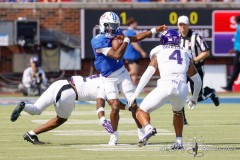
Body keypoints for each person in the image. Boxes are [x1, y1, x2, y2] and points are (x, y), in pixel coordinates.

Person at [91, 11, 167, 145]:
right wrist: (125, 41)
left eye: (114, 25)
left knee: (133, 103)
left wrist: (155, 30)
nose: (112, 28)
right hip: (108, 77)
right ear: (103, 25)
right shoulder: (97, 40)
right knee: (114, 106)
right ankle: (114, 135)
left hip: (122, 73)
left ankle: (141, 132)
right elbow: (116, 55)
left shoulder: (118, 32)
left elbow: (136, 38)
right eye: (109, 25)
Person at [128, 30, 202, 149]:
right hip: (182, 87)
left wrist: (135, 94)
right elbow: (198, 81)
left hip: (165, 85)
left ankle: (148, 128)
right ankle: (179, 142)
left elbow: (148, 74)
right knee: (178, 112)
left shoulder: (159, 50)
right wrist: (194, 99)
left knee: (141, 111)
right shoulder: (185, 53)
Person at [11, 74, 127, 144]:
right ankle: (32, 133)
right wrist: (102, 119)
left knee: (36, 109)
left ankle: (24, 106)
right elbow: (103, 102)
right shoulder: (108, 85)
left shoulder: (103, 77)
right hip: (69, 93)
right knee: (60, 119)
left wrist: (128, 107)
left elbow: (115, 103)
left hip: (61, 83)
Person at [177, 15, 220, 125]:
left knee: (198, 96)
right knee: (178, 93)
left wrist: (193, 60)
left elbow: (206, 52)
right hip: (182, 69)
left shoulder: (195, 36)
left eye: (184, 24)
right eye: (180, 24)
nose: (182, 27)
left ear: (188, 25)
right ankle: (182, 119)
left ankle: (210, 93)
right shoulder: (176, 38)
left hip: (196, 68)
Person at [123, 17, 147, 86]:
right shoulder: (130, 32)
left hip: (134, 55)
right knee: (133, 71)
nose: (137, 24)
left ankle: (133, 87)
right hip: (130, 55)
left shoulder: (132, 32)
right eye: (135, 23)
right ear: (132, 23)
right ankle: (118, 78)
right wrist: (142, 51)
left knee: (135, 73)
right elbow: (134, 43)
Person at [222, 16, 240, 91]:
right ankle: (229, 86)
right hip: (237, 51)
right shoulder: (238, 27)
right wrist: (234, 49)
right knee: (236, 69)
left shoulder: (239, 28)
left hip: (239, 52)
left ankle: (229, 86)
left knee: (236, 69)